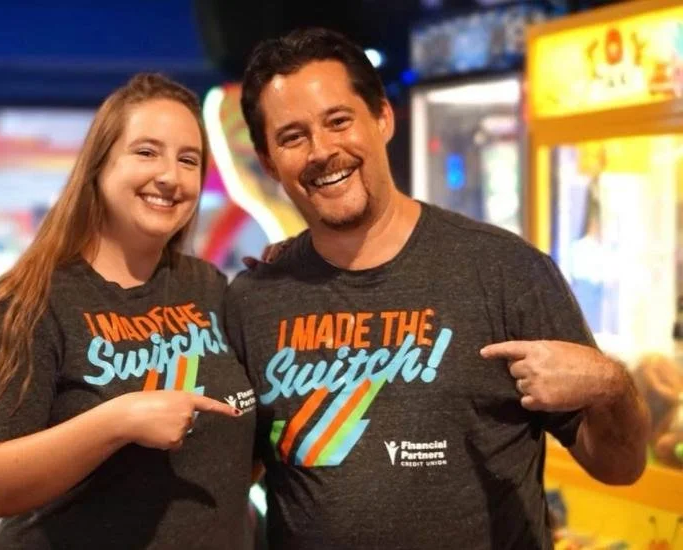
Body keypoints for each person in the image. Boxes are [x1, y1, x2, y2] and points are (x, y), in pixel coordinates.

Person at [226, 28, 651, 549]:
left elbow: (620, 467)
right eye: (293, 137)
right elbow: (227, 476)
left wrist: (612, 384)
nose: (322, 151)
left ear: (383, 118)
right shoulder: (253, 300)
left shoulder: (505, 270)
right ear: (269, 161)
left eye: (339, 121)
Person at [0, 73, 259, 550]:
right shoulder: (27, 300)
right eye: (146, 152)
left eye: (188, 160)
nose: (169, 176)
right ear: (98, 166)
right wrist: (118, 420)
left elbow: (240, 451)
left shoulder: (208, 287)